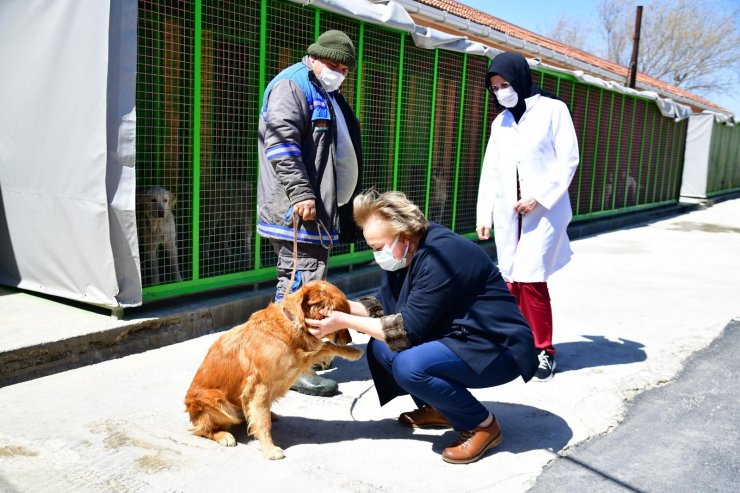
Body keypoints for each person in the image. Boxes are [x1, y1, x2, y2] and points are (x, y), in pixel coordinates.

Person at [305, 190, 538, 464]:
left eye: (378, 247)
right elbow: (386, 305)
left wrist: (342, 321)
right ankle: (442, 408)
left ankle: (482, 425)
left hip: (495, 346)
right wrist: (338, 307)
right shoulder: (405, 251)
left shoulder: (443, 255)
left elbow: (404, 331)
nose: (376, 253)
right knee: (381, 349)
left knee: (409, 365)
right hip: (458, 336)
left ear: (404, 236)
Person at [257, 30, 363, 397]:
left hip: (319, 212)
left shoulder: (325, 90)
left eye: (345, 69)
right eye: (332, 65)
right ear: (314, 57)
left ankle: (299, 354)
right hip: (297, 211)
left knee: (302, 285)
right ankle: (293, 365)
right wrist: (302, 192)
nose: (339, 73)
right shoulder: (292, 86)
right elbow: (281, 144)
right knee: (299, 290)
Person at [476, 51, 580, 382]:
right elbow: (490, 171)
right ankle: (517, 343)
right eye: (494, 88)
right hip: (510, 212)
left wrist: (540, 195)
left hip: (545, 211)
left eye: (505, 84)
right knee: (511, 279)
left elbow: (569, 160)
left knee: (532, 278)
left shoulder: (553, 110)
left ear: (520, 79)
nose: (501, 92)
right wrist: (485, 215)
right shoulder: (500, 122)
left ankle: (544, 350)